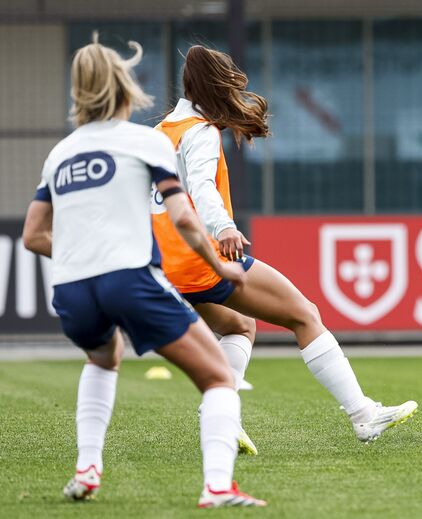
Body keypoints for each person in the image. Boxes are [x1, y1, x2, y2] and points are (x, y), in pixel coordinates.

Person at [22, 35, 266, 508]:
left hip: (72, 288)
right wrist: (222, 267)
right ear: (124, 86)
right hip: (128, 279)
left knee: (102, 357)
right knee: (218, 376)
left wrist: (83, 255)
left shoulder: (62, 153)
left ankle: (87, 467)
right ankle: (218, 486)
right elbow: (182, 217)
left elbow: (33, 235)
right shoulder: (145, 141)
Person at [151, 45, 417, 444]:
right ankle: (364, 415)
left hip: (164, 266)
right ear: (214, 87)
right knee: (304, 315)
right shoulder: (201, 133)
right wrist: (224, 227)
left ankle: (219, 416)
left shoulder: (158, 135)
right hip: (202, 259)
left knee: (240, 326)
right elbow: (203, 189)